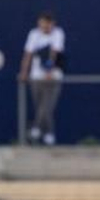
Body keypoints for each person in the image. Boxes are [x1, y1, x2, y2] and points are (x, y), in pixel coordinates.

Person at [20, 10, 65, 145]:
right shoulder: (34, 34)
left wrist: (49, 71)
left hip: (53, 77)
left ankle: (36, 129)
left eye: (48, 24)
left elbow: (54, 52)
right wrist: (24, 72)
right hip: (36, 77)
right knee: (40, 106)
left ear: (52, 24)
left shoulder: (58, 33)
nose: (45, 27)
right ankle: (48, 134)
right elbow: (28, 54)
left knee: (47, 106)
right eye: (43, 24)